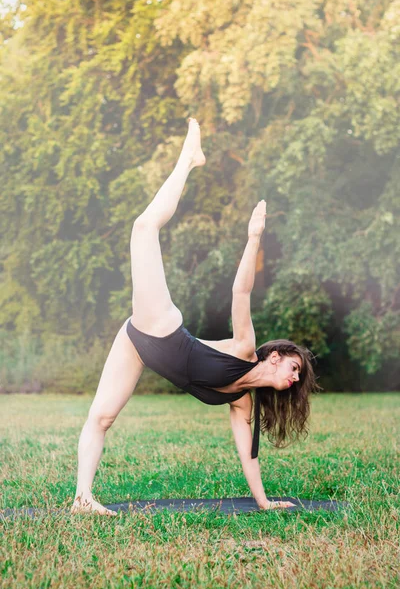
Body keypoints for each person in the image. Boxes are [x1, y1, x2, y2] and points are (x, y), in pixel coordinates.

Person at [71, 118, 317, 517]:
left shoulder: (242, 404)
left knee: (101, 417)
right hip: (162, 331)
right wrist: (254, 238)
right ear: (275, 357)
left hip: (138, 346)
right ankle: (188, 159)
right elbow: (241, 291)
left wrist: (263, 501)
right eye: (293, 368)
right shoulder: (245, 348)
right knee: (144, 227)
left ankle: (82, 499)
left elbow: (248, 456)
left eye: (296, 378)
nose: (293, 378)